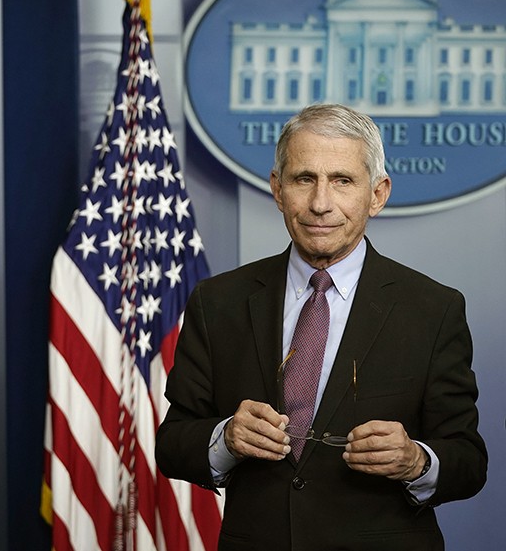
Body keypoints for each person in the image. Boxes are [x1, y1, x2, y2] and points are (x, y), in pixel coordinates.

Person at [156, 103, 487, 551]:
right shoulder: (218, 302)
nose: (320, 203)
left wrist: (414, 460)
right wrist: (226, 438)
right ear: (277, 189)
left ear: (378, 194)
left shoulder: (434, 309)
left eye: (343, 181)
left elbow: (467, 461)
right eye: (303, 179)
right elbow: (173, 443)